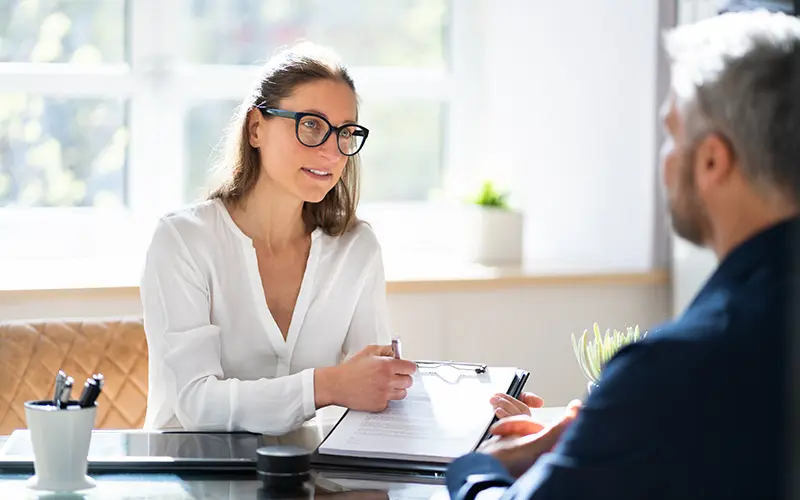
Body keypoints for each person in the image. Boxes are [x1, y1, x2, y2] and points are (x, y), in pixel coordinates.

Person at [447, 9, 800, 500]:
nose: (665, 157)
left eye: (673, 133)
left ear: (713, 160)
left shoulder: (674, 370)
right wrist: (601, 443)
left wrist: (479, 464)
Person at [139, 42, 418, 435]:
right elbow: (196, 404)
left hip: (309, 481)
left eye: (345, 132)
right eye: (311, 125)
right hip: (191, 482)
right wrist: (329, 385)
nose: (332, 152)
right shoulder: (182, 240)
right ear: (256, 128)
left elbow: (372, 390)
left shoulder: (357, 248)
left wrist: (480, 418)